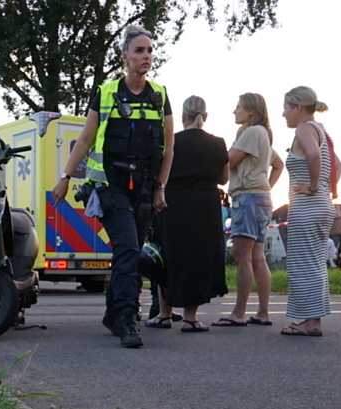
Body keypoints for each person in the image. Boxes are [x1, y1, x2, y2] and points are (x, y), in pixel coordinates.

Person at [52, 25, 174, 348]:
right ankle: (125, 317)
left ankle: (113, 312)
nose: (146, 56)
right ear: (125, 57)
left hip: (145, 190)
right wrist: (65, 177)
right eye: (139, 51)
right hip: (109, 188)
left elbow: (169, 148)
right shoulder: (106, 94)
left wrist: (160, 187)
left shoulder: (160, 95)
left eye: (149, 50)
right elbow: (85, 140)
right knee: (129, 248)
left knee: (130, 254)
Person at [147, 95, 228, 333]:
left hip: (171, 203)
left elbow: (157, 172)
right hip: (205, 205)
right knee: (197, 259)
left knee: (167, 256)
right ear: (205, 116)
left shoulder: (170, 141)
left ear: (182, 117)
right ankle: (191, 318)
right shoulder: (218, 143)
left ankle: (164, 314)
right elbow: (224, 178)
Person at [213, 93, 283, 327]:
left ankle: (238, 313)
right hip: (262, 198)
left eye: (238, 107)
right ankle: (263, 312)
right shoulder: (262, 135)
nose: (234, 111)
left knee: (242, 257)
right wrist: (266, 186)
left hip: (247, 198)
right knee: (258, 257)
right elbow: (278, 164)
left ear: (250, 111)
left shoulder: (251, 133)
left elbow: (228, 161)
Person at [281, 86, 338, 337]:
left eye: (285, 108)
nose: (283, 114)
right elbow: (337, 164)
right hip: (320, 205)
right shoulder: (321, 130)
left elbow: (314, 155)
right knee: (314, 262)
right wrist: (325, 186)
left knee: (304, 263)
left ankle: (311, 322)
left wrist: (314, 186)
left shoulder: (304, 128)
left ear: (297, 108)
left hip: (308, 206)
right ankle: (311, 318)